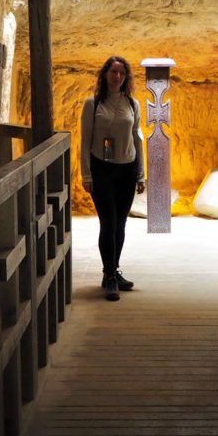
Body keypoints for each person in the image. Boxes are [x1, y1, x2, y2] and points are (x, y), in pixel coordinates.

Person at [80, 55, 146, 301]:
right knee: (107, 222)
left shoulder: (133, 104)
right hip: (102, 169)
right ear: (105, 74)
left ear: (125, 77)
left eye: (121, 73)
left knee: (120, 223)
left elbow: (137, 140)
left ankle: (114, 271)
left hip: (127, 169)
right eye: (113, 72)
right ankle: (109, 276)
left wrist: (141, 174)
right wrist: (86, 174)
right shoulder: (93, 103)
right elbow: (85, 141)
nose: (117, 76)